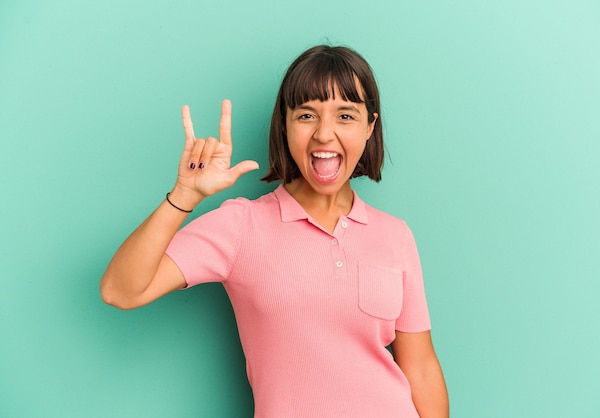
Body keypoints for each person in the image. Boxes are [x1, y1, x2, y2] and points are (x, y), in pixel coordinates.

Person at [101, 45, 448, 418]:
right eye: (306, 115)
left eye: (345, 115)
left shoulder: (395, 236)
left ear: (369, 127)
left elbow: (421, 369)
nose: (324, 134)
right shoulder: (240, 226)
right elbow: (121, 290)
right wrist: (185, 195)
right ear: (285, 125)